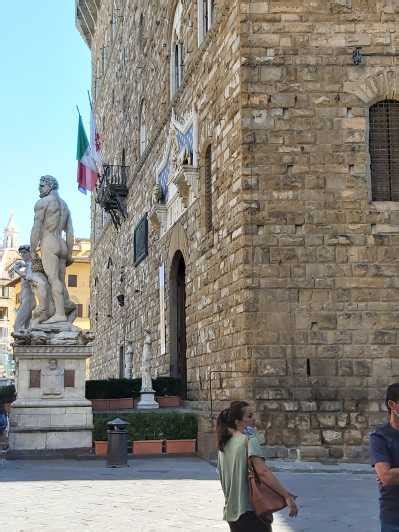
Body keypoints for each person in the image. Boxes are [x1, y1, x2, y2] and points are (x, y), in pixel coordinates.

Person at [217, 401, 298, 532]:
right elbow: (262, 472)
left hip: (232, 514)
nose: (254, 419)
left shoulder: (223, 446)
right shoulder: (248, 441)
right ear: (237, 422)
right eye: (249, 416)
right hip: (251, 512)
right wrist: (286, 496)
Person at [30, 175, 75, 323]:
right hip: (61, 243)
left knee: (53, 279)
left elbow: (36, 227)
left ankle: (60, 314)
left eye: (42, 185)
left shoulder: (43, 202)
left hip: (49, 241)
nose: (39, 188)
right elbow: (70, 232)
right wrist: (69, 253)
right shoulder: (65, 205)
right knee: (60, 281)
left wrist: (32, 249)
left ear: (50, 185)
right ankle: (62, 309)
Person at [369, 383, 399, 532]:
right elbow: (387, 477)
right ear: (392, 404)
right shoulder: (380, 437)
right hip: (394, 517)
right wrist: (389, 475)